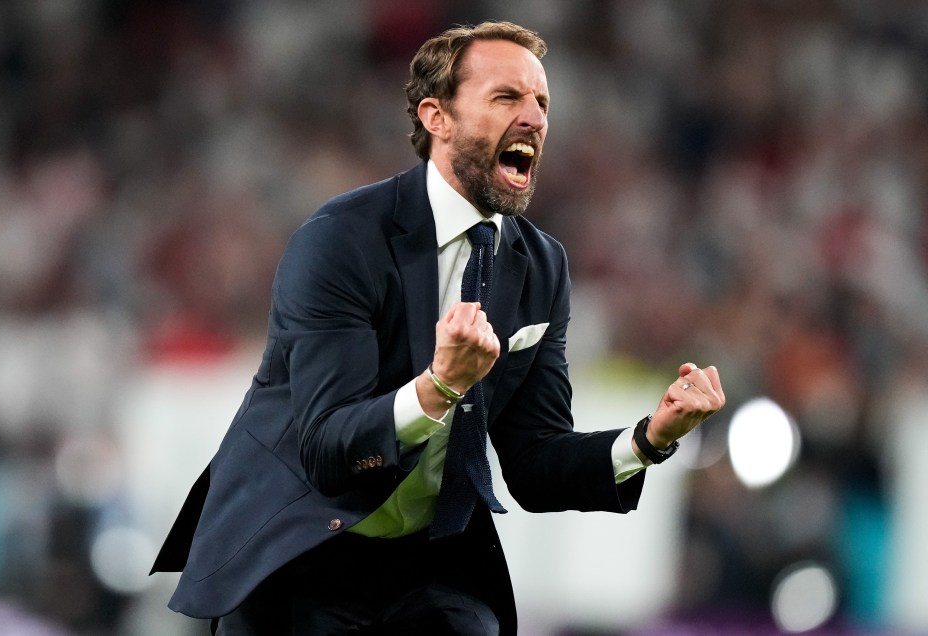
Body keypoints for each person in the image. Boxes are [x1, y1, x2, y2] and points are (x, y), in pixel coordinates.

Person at [151, 20, 725, 635]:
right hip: (299, 549)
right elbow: (325, 448)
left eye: (542, 102)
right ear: (437, 117)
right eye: (507, 97)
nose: (534, 118)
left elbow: (532, 461)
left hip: (431, 567)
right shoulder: (342, 241)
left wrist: (648, 439)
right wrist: (438, 388)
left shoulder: (542, 266)